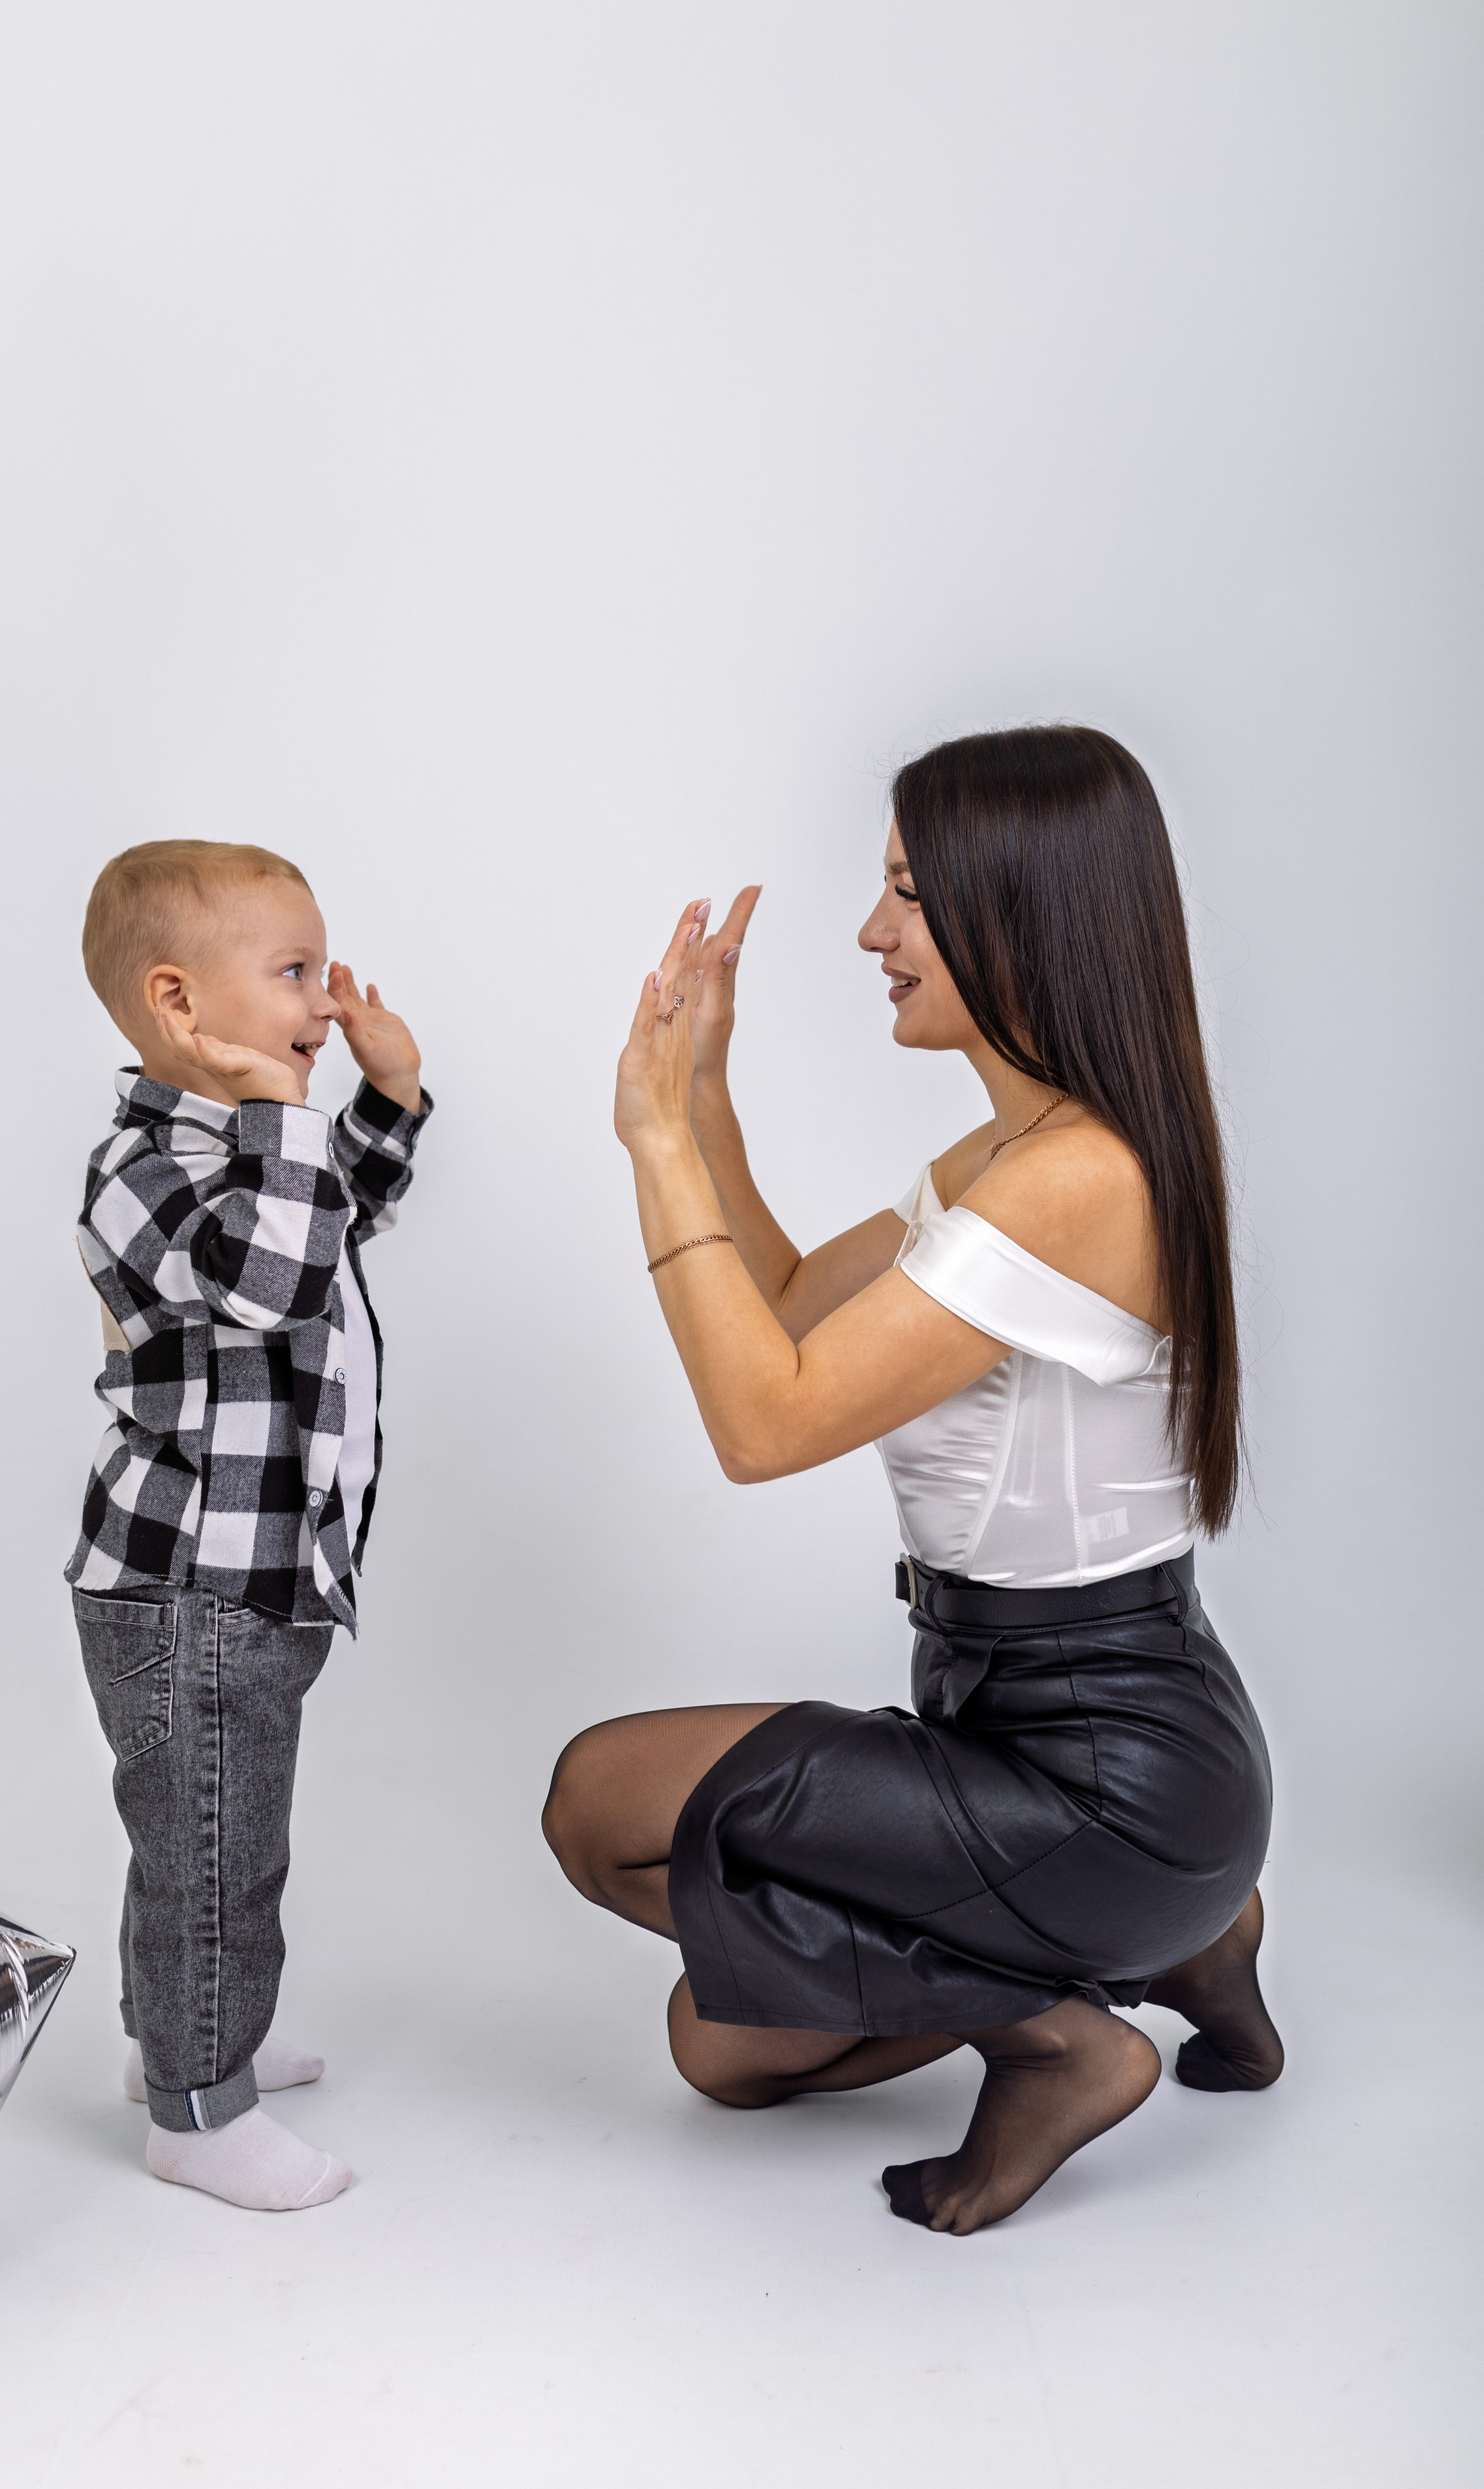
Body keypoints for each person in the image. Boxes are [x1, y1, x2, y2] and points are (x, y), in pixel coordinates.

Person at [543, 726, 1283, 2237]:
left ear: (1017, 907)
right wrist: (699, 1108)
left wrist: (647, 1154)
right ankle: (1195, 1943)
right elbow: (798, 1301)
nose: (872, 933)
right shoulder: (1020, 1154)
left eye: (906, 891)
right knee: (724, 2052)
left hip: (1103, 1776)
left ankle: (1063, 2036)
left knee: (597, 1807)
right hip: (1034, 1736)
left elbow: (764, 1422)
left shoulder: (1079, 1180)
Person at [68, 840, 431, 2210]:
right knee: (213, 1842)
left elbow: (326, 1224)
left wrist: (382, 1096)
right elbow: (272, 1285)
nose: (320, 1002)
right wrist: (288, 1111)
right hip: (184, 1585)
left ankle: (176, 2039)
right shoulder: (137, 1167)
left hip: (257, 1573)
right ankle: (197, 2113)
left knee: (201, 1832)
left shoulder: (244, 1151)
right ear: (178, 1005)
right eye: (291, 973)